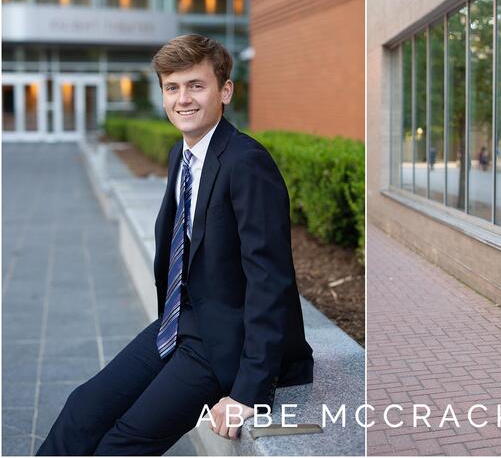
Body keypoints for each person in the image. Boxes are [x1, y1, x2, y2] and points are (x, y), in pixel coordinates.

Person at [37, 35, 314, 455]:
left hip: (226, 342)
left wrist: (248, 392)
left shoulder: (246, 163)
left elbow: (270, 282)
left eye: (195, 85)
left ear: (225, 90)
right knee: (82, 409)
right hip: (180, 324)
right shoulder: (180, 155)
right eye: (172, 87)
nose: (182, 99)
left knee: (123, 442)